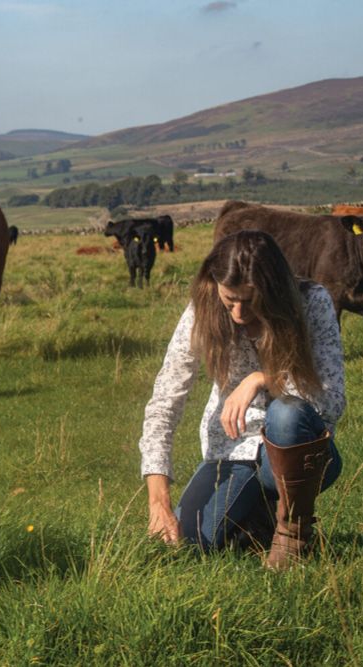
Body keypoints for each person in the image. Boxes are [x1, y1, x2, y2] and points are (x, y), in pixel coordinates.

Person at [139, 230, 345, 569]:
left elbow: (332, 400)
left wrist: (263, 379)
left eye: (250, 301)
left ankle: (293, 532)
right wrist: (157, 499)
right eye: (229, 299)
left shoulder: (312, 302)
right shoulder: (202, 311)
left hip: (303, 450)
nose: (237, 313)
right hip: (231, 449)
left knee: (287, 414)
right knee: (193, 544)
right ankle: (260, 516)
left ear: (274, 289)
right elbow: (165, 399)